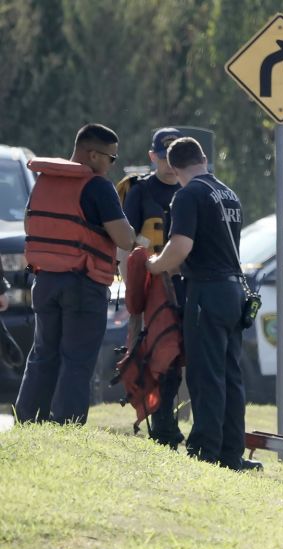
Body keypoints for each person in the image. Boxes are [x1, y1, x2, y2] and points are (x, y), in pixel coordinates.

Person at [145, 137, 260, 471]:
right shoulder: (228, 193)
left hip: (207, 292)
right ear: (204, 158)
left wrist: (154, 265)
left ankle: (204, 450)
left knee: (205, 375)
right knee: (230, 375)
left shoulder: (188, 195)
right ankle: (231, 452)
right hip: (234, 292)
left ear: (170, 166)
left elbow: (180, 247)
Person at [15, 123, 136, 424]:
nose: (111, 165)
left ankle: (29, 420)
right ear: (94, 155)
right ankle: (67, 424)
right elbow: (124, 239)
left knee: (43, 354)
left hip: (45, 280)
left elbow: (31, 226)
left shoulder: (45, 181)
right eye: (112, 158)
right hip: (83, 282)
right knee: (77, 358)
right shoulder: (97, 186)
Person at [122, 127, 185, 448]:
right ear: (153, 157)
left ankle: (167, 420)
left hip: (184, 282)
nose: (169, 164)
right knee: (155, 354)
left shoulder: (191, 188)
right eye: (163, 156)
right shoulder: (140, 192)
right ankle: (161, 421)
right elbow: (128, 245)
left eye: (174, 156)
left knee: (177, 356)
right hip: (152, 283)